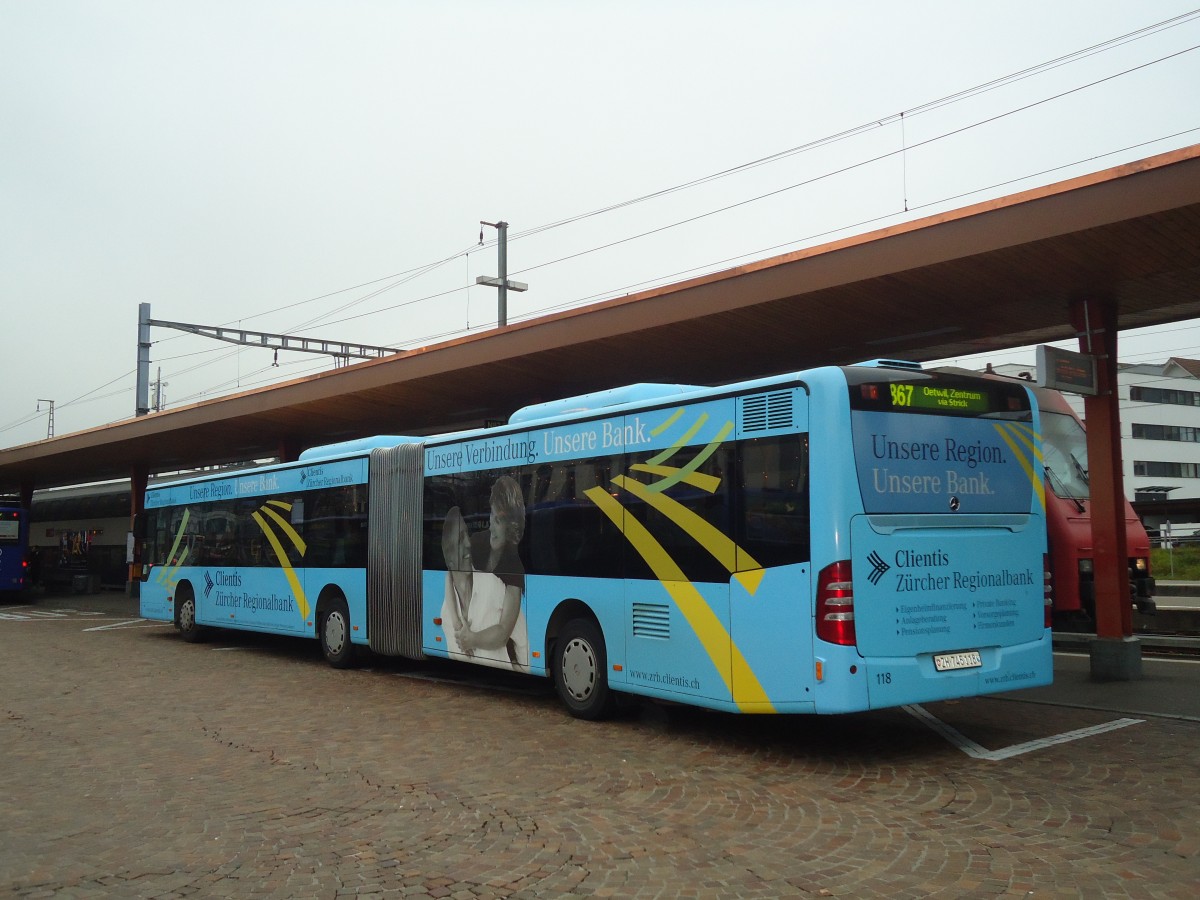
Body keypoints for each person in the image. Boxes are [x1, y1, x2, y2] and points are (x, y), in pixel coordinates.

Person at [439, 504, 529, 671]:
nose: (492, 527)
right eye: (491, 519)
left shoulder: (508, 573)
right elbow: (450, 569)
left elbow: (511, 634)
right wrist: (456, 621)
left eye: (500, 521)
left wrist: (472, 639)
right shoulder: (478, 542)